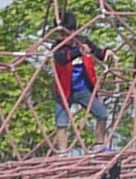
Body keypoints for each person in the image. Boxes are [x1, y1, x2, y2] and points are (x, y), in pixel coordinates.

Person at [49, 10, 115, 154]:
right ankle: (63, 152)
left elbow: (98, 53)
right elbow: (62, 59)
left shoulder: (84, 42)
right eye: (62, 35)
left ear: (75, 30)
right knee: (61, 123)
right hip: (64, 91)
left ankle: (99, 144)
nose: (65, 37)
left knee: (102, 114)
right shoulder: (57, 47)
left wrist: (107, 52)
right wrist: (79, 52)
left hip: (83, 89)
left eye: (68, 34)